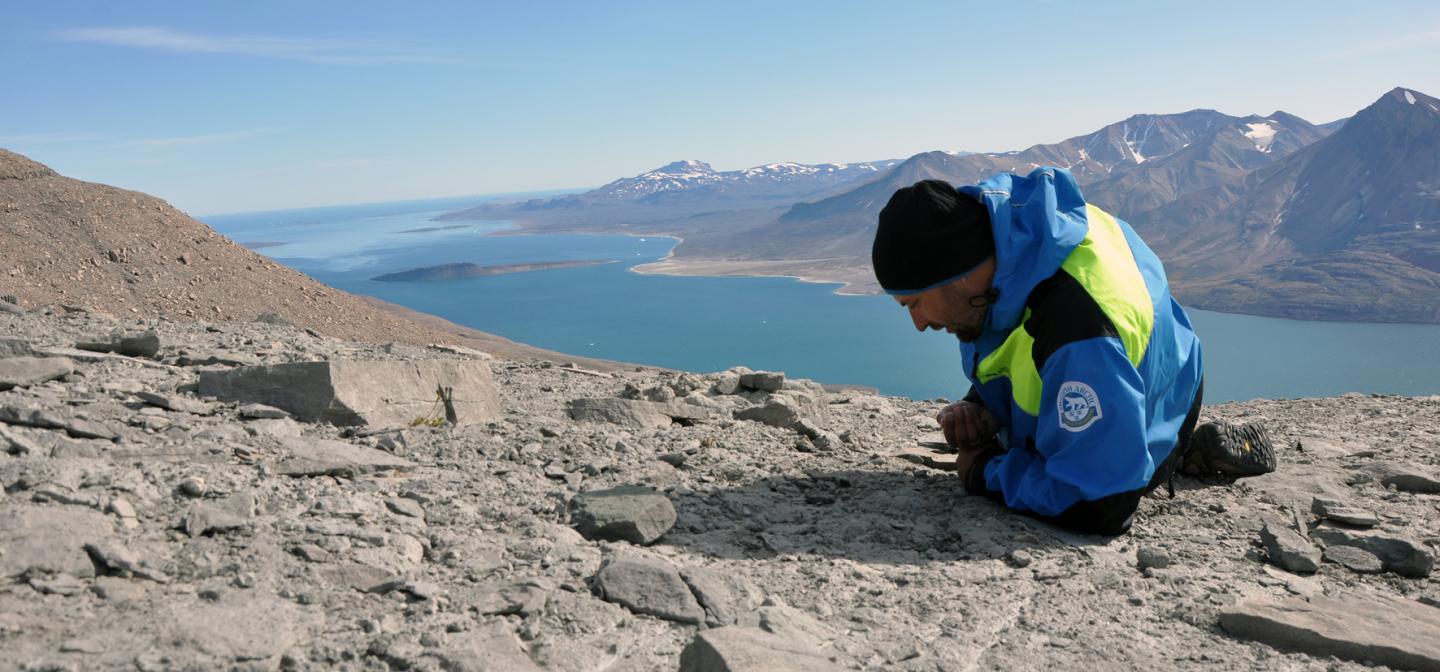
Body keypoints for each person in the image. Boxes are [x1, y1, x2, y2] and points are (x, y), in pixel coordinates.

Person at [871, 168, 1275, 535]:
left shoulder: (1074, 323)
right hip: (1144, 371)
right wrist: (982, 405)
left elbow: (1100, 504)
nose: (919, 324)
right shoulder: (1020, 242)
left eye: (914, 303)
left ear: (955, 275)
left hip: (1153, 407)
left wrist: (984, 470)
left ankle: (1173, 451)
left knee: (1085, 470)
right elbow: (1020, 342)